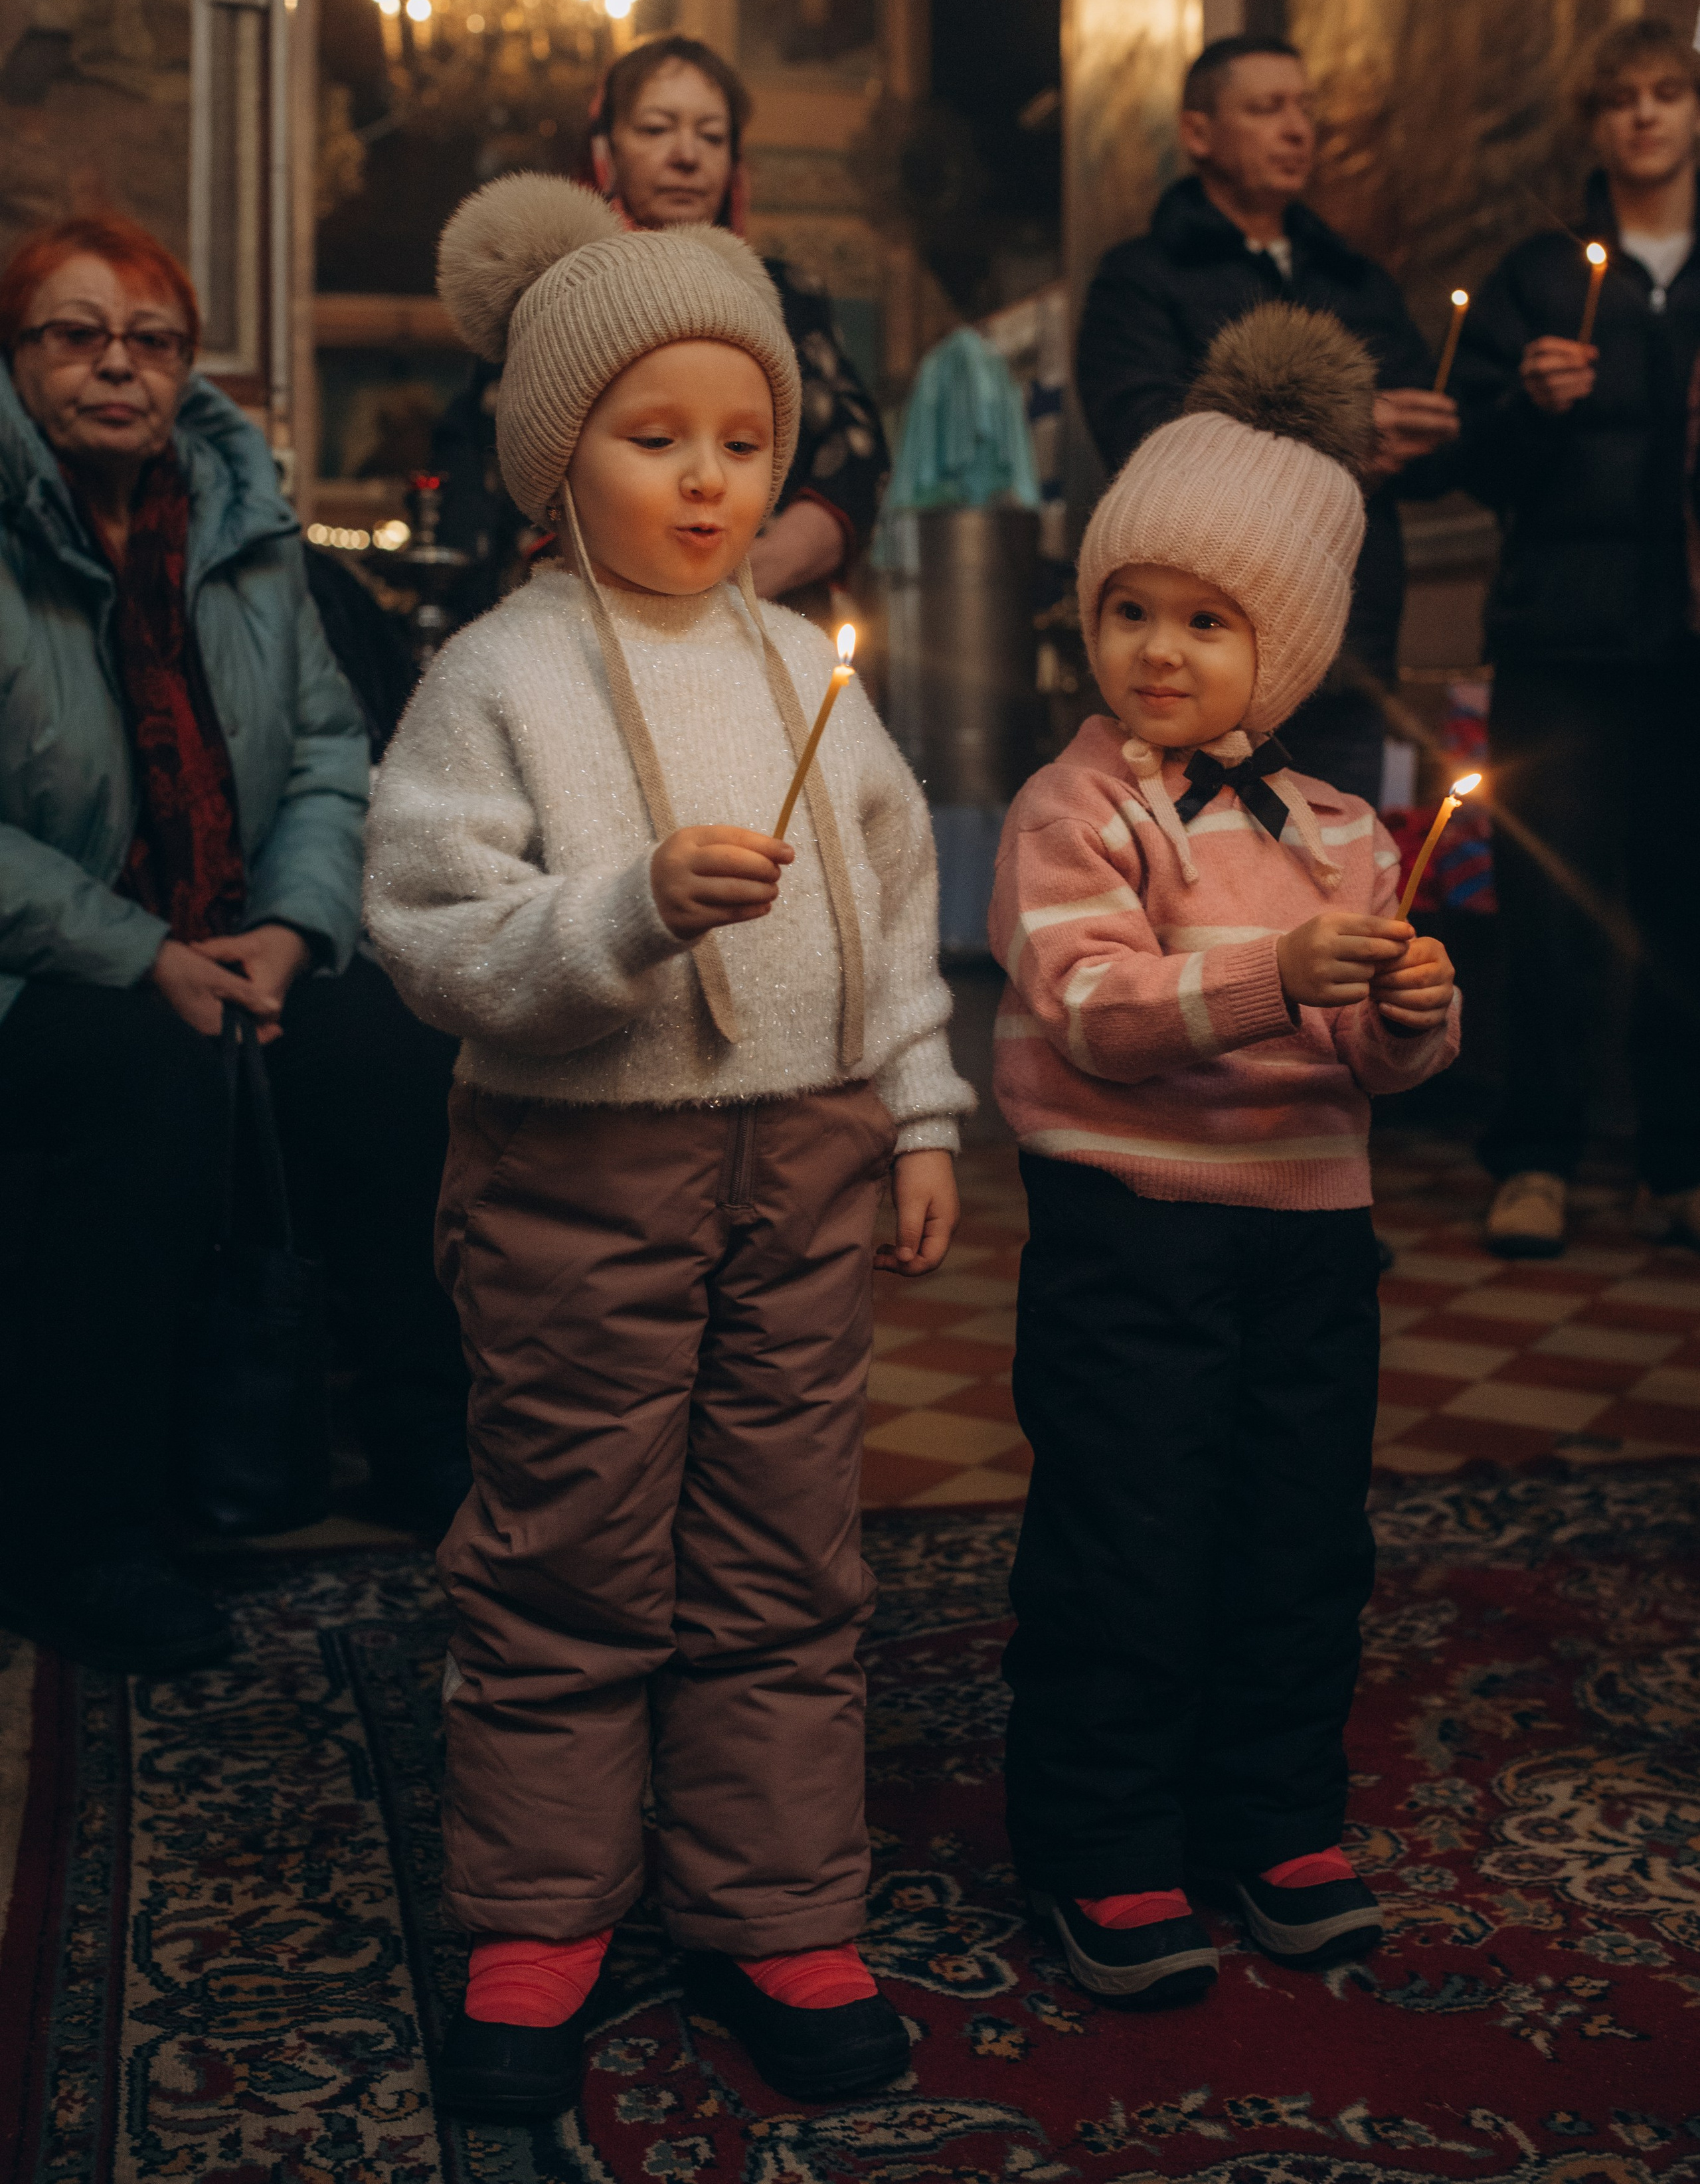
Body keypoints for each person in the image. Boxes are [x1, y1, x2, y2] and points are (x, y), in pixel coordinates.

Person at [365, 176, 971, 2122]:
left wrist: (927, 1108)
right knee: (568, 1540)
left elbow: (888, 893)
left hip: (804, 1162)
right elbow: (436, 930)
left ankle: (774, 1898)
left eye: (739, 439)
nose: (706, 482)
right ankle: (539, 1913)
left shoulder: (808, 667)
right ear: (556, 458)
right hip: (577, 1173)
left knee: (786, 1541)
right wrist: (622, 906)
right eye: (653, 438)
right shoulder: (496, 676)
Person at [988, 305, 1458, 2007]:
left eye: (1207, 618)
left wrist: (1402, 999)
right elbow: (1097, 1005)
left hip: (1307, 1243)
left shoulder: (1339, 829)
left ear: (1295, 645)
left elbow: (1376, 1062)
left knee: (1291, 1530)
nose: (1160, 650)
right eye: (1131, 608)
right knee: (1130, 1529)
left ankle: (1271, 1815)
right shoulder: (1075, 806)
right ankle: (1102, 1841)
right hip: (1129, 1234)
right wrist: (1278, 971)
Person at [0, 214, 472, 1676]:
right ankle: (85, 1537)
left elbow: (333, 753)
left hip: (237, 933)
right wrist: (144, 955)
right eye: (76, 337)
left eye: (150, 341)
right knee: (145, 1080)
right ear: (18, 358)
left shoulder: (246, 528)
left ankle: (426, 1454)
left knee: (395, 1046)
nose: (117, 369)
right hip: (57, 963)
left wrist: (289, 929)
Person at [1451, 17, 1700, 1258]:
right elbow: (1468, 453)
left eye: (1667, 94)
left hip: (1692, 641)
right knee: (1550, 907)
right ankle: (1536, 1157)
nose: (1646, 117)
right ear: (1596, 123)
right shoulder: (1543, 274)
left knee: (1686, 909)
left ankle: (1679, 1161)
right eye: (1622, 99)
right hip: (1562, 634)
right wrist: (1525, 406)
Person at [1075, 35, 1460, 805]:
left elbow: (1443, 468)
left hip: (1349, 644)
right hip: (1198, 649)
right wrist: (1348, 434)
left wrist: (1426, 435)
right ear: (1198, 134)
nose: (1296, 129)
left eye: (1305, 110)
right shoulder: (1142, 278)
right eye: (1266, 109)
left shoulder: (1353, 277)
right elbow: (1144, 436)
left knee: (1331, 874)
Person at [430, 35, 889, 622]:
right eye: (655, 129)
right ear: (606, 148)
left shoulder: (786, 297)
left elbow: (857, 457)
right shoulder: (551, 303)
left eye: (713, 136)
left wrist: (743, 580)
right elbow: (489, 489)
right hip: (582, 630)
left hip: (764, 624)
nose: (687, 156)